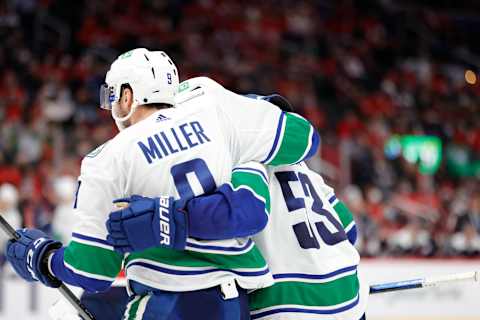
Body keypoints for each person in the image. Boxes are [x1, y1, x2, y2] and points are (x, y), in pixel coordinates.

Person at [5, 48, 319, 320]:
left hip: (166, 303)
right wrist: (252, 112)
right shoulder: (216, 113)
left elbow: (92, 270)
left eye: (112, 97)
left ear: (127, 96)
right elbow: (304, 139)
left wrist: (44, 259)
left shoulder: (107, 159)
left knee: (73, 310)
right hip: (235, 304)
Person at [107, 93, 367, 320]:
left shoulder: (242, 158)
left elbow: (241, 213)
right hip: (350, 296)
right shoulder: (307, 172)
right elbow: (349, 230)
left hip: (285, 302)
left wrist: (164, 218)